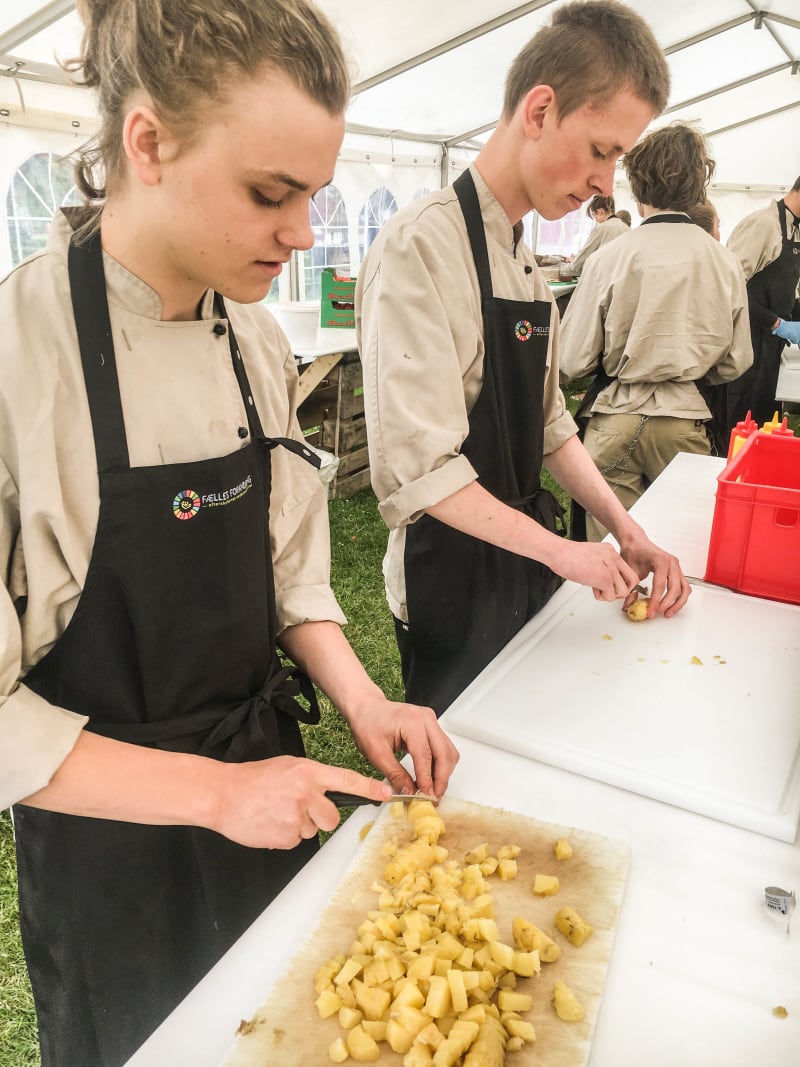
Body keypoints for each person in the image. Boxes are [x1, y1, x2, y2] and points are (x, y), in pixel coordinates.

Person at [0, 2, 459, 1064]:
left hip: (265, 785)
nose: (303, 233)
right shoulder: (22, 357)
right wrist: (214, 794)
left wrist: (363, 698)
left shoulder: (254, 341)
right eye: (270, 193)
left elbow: (291, 576)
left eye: (313, 196)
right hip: (111, 842)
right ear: (147, 141)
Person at [356, 0, 691, 719]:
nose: (607, 183)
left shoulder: (526, 266)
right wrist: (566, 554)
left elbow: (549, 424)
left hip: (522, 559)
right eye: (602, 150)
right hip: (449, 574)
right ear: (539, 110)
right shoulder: (421, 247)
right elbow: (421, 471)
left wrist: (622, 529)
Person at [560, 124, 752, 540]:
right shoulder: (724, 262)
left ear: (637, 187)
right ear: (698, 185)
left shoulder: (611, 258)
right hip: (684, 419)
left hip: (614, 419)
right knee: (681, 546)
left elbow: (571, 358)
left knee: (611, 554)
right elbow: (736, 362)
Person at [726, 177, 800, 425]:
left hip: (771, 351)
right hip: (745, 350)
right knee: (739, 427)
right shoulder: (764, 225)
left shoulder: (794, 229)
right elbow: (729, 287)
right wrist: (777, 323)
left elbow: (788, 290)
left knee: (762, 425)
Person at [568, 193, 629, 276]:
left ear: (600, 211)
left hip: (603, 278)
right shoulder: (626, 228)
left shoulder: (601, 228)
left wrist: (573, 262)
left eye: (594, 216)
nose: (595, 220)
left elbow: (579, 262)